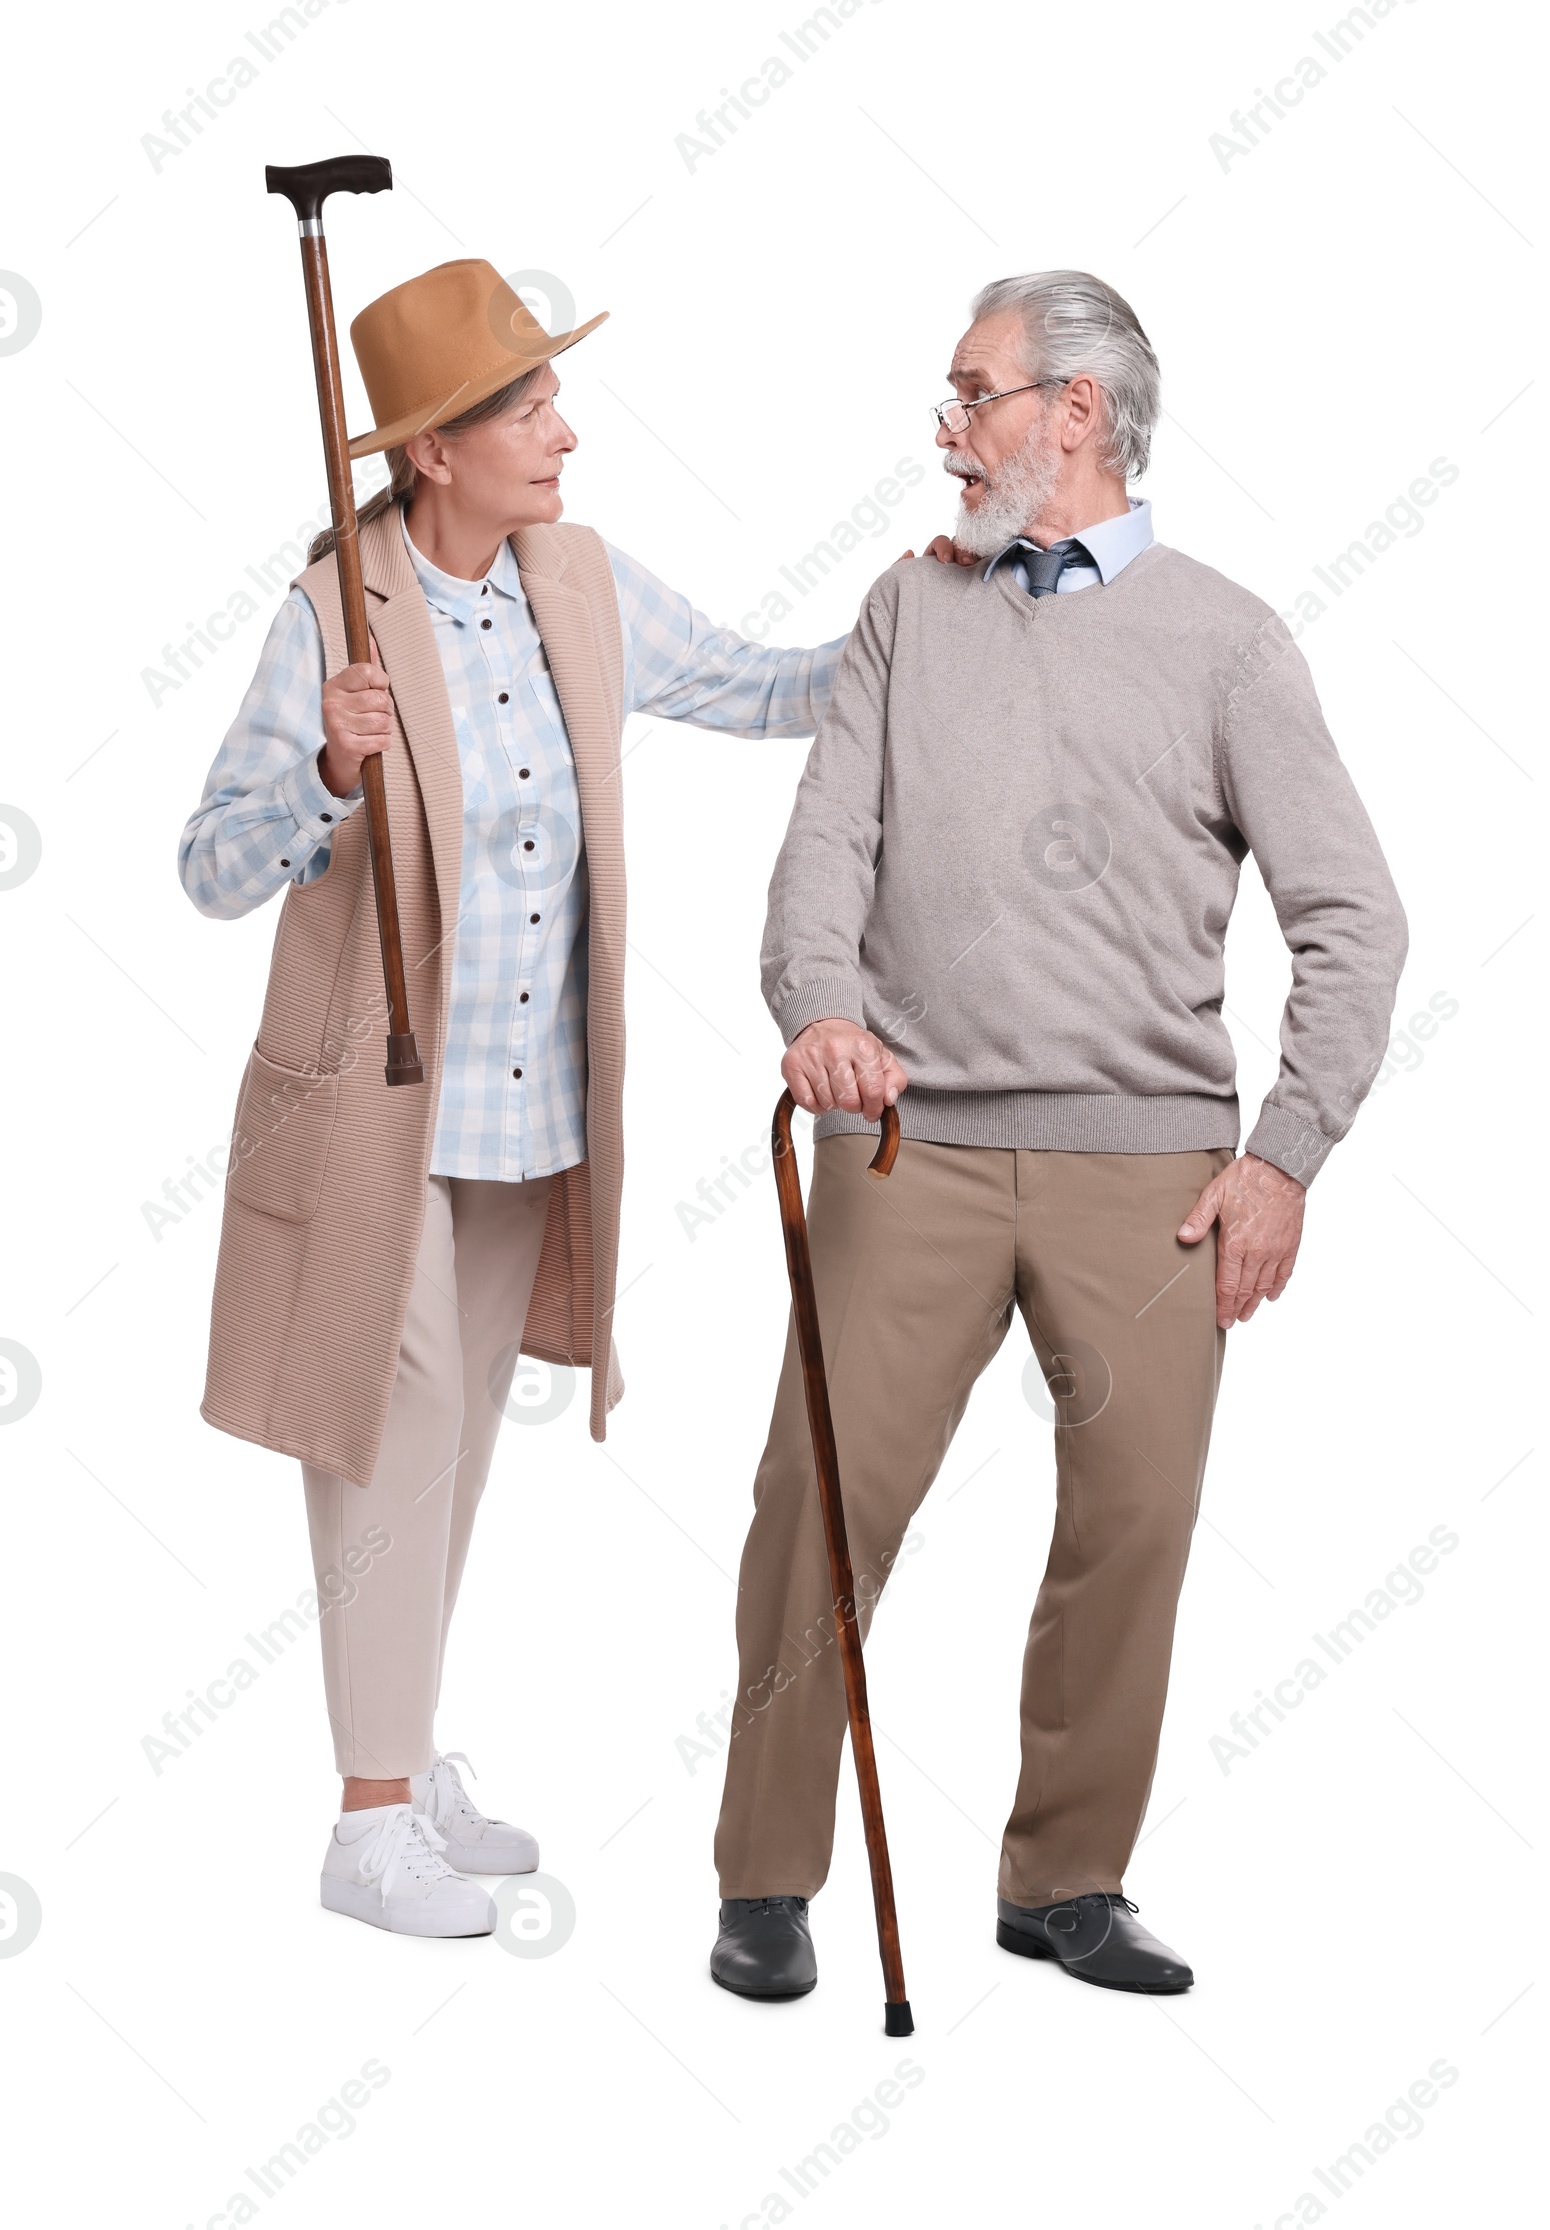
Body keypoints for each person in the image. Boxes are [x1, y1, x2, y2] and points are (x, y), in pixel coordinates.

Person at [709, 269, 1408, 2000]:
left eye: (976, 395)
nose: (950, 432)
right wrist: (821, 1011)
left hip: (1153, 1171)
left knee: (1134, 1516)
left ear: (1075, 415)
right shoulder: (905, 609)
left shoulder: (1228, 638)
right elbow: (823, 859)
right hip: (906, 1145)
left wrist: (1284, 1156)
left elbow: (1355, 918)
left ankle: (1065, 1880)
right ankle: (768, 1874)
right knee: (818, 1494)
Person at [179, 258, 850, 1938]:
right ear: (434, 453)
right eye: (528, 405)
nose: (566, 428)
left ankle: (402, 1758)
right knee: (378, 1426)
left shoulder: (583, 584)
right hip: (374, 1112)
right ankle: (368, 1815)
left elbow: (764, 688)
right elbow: (206, 866)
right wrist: (327, 775)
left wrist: (919, 615)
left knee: (460, 1437)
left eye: (552, 396)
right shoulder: (334, 612)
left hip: (528, 1111)